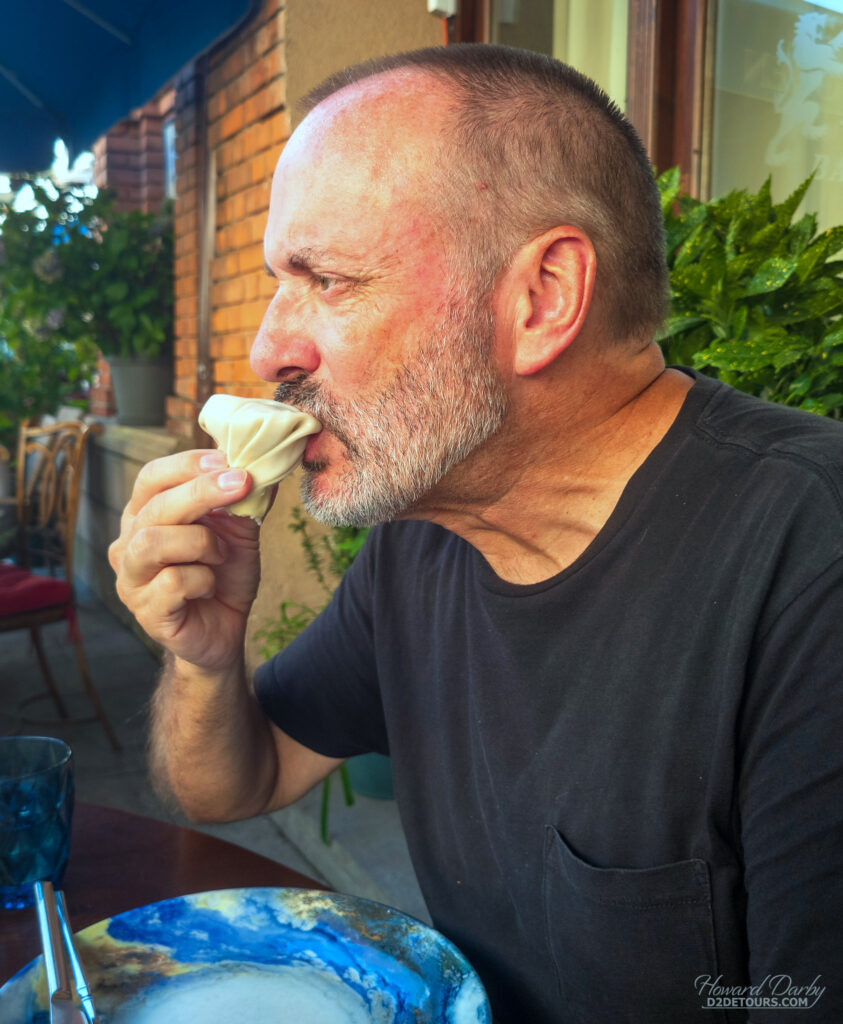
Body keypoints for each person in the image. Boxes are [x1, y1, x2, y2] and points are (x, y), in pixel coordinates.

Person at [109, 44, 843, 1023]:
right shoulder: (433, 528)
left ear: (542, 298)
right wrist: (204, 655)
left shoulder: (809, 564)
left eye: (327, 280)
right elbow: (242, 777)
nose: (267, 349)